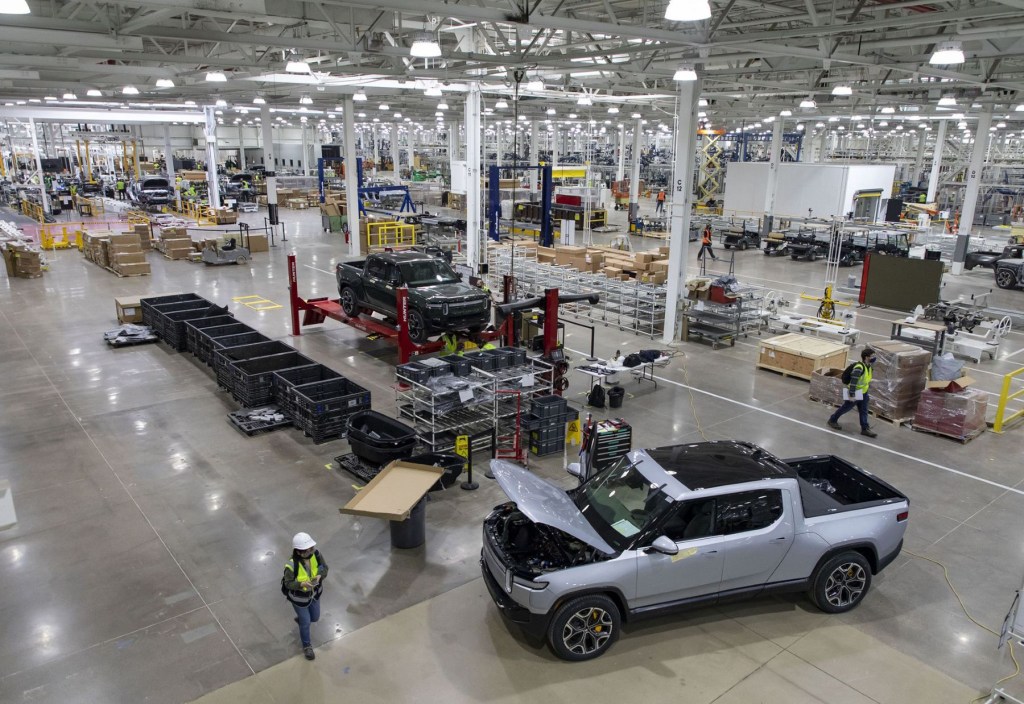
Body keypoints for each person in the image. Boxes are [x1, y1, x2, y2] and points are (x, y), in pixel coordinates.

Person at [282, 532, 328, 661]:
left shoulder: (316, 554)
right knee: (306, 622)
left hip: (314, 594)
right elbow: (288, 584)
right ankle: (307, 646)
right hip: (299, 600)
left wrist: (320, 575)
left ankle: (302, 620)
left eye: (312, 548)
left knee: (315, 617)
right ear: (299, 552)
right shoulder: (291, 566)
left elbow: (324, 567)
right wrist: (301, 584)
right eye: (309, 550)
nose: (312, 551)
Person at [827, 348, 878, 438]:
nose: (874, 358)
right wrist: (851, 394)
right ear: (866, 357)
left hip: (863, 393)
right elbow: (854, 381)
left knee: (864, 410)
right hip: (855, 392)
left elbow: (865, 381)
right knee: (846, 408)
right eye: (872, 356)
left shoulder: (869, 367)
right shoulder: (859, 368)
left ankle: (865, 428)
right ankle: (832, 419)